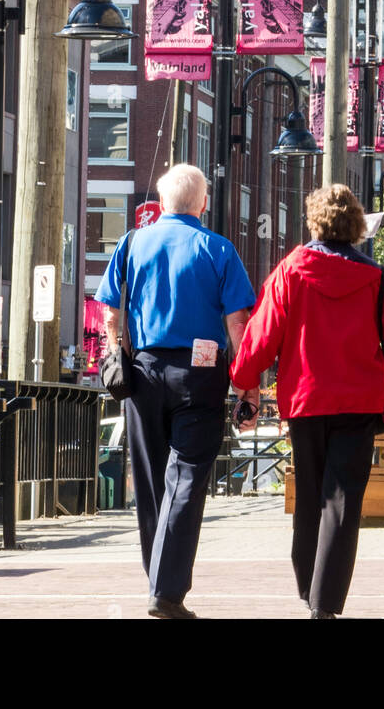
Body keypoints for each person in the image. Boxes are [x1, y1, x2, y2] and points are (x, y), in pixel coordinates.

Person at [231, 183, 384, 619]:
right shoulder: (376, 277)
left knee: (310, 495)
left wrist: (243, 381)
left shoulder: (290, 271)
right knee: (343, 501)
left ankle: (306, 585)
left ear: (315, 221)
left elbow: (260, 338)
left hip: (305, 400)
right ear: (355, 225)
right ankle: (325, 603)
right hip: (358, 401)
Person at [96, 163, 258, 620]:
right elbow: (238, 326)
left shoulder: (132, 243)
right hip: (199, 375)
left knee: (149, 482)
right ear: (202, 204)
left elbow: (111, 313)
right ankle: (166, 591)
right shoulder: (218, 249)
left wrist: (117, 353)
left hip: (143, 373)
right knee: (186, 478)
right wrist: (248, 386)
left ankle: (158, 581)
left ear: (162, 202)